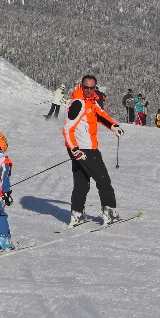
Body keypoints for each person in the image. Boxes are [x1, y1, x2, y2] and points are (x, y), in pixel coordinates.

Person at [63, 75, 125, 227]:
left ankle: (77, 215)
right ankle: (110, 213)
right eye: (86, 87)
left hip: (82, 149)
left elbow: (101, 115)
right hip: (85, 150)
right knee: (103, 180)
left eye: (92, 88)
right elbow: (67, 129)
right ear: (81, 86)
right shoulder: (79, 103)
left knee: (82, 184)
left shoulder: (90, 101)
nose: (89, 90)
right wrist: (75, 150)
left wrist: (114, 126)